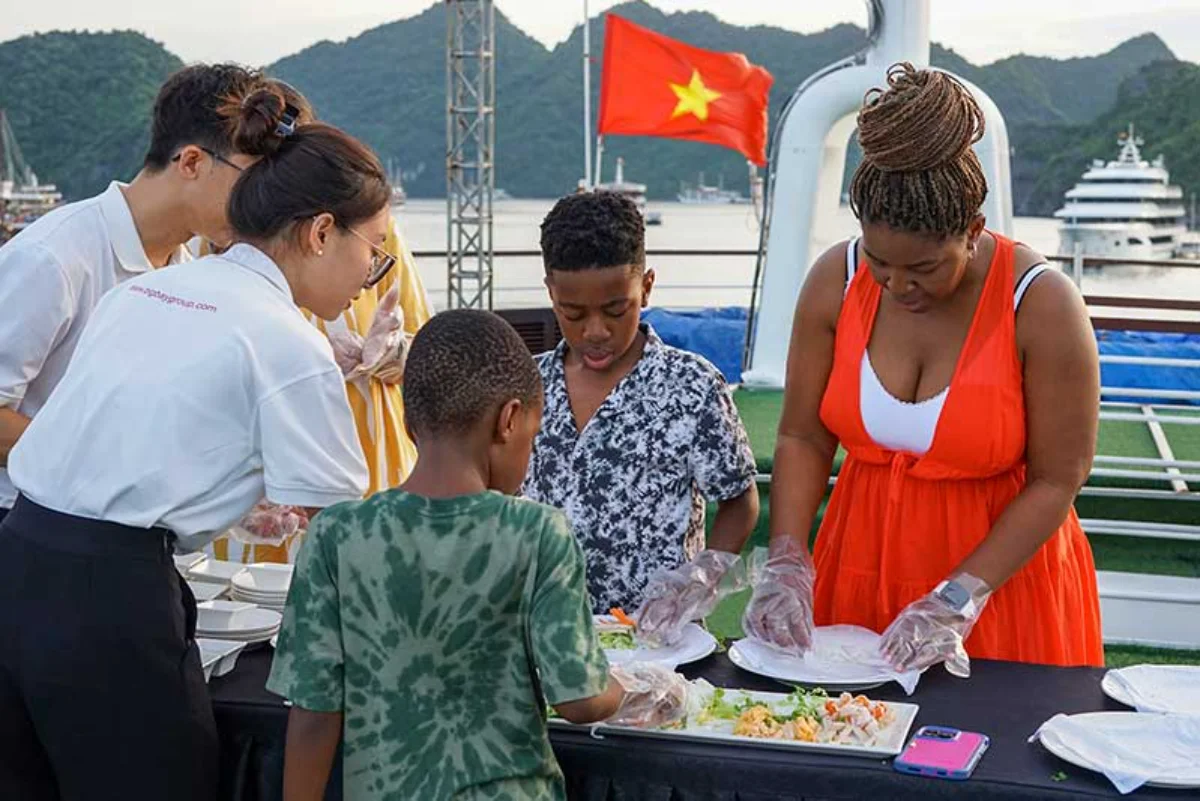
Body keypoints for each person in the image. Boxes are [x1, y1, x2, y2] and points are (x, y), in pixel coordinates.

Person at [0, 89, 389, 800]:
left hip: (17, 561)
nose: (371, 275)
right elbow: (344, 542)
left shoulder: (154, 289)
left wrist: (233, 497)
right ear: (320, 231)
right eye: (375, 251)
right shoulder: (290, 342)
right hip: (113, 600)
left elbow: (128, 445)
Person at [745, 62, 1103, 674]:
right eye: (881, 263)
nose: (898, 286)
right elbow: (803, 435)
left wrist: (957, 599)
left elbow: (1058, 478)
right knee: (846, 722)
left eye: (925, 268)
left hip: (997, 587)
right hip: (856, 563)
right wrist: (786, 559)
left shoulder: (1041, 304)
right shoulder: (836, 280)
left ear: (973, 231)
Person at [268, 309, 688, 801]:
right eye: (533, 437)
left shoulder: (335, 534)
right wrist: (640, 689)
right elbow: (579, 698)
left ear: (408, 423)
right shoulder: (537, 533)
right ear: (509, 420)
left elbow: (313, 711)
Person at [0, 64, 312, 527]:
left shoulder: (187, 271)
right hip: (24, 523)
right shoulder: (53, 257)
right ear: (191, 163)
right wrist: (106, 472)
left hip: (120, 532)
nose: (264, 206)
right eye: (253, 183)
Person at [522, 191, 759, 645]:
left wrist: (698, 582)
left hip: (659, 642)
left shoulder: (692, 386)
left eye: (617, 310)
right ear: (551, 293)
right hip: (548, 637)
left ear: (646, 286)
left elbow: (740, 501)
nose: (595, 331)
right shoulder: (527, 385)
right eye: (573, 313)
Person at [209, 214, 433, 563]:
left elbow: (429, 354)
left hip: (366, 472)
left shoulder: (368, 227)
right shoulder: (217, 233)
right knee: (244, 589)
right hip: (252, 485)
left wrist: (390, 353)